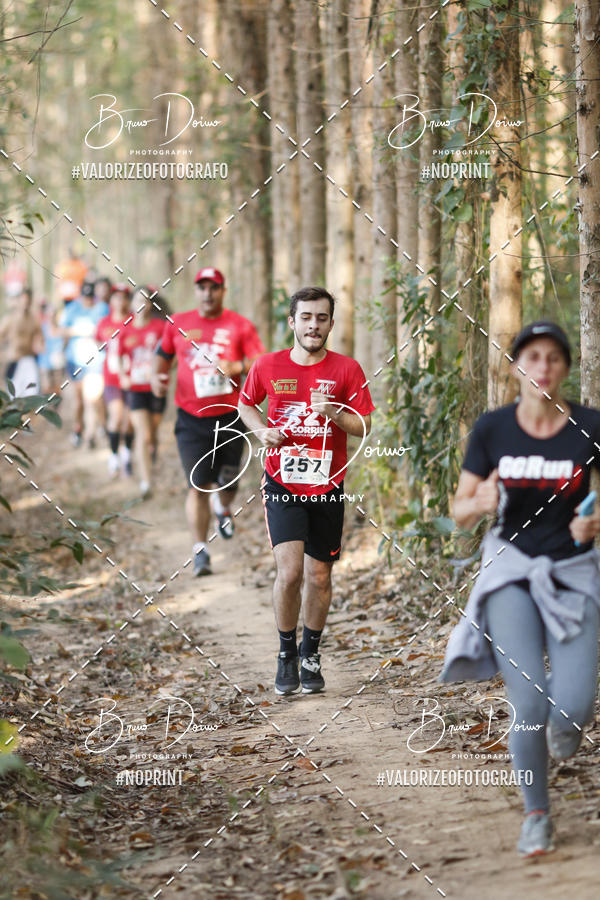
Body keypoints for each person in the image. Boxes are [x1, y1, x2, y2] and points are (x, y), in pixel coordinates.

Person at [440, 321, 600, 858]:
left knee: (575, 706)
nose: (544, 367)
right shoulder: (492, 429)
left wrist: (593, 523)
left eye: (554, 358)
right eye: (533, 357)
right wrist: (478, 503)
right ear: (516, 367)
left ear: (566, 368)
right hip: (511, 570)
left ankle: (567, 726)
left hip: (574, 572)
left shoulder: (590, 425)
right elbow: (459, 510)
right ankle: (537, 815)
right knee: (529, 701)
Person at [238, 286, 375, 695]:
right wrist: (261, 429)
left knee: (319, 575)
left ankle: (310, 652)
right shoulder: (267, 365)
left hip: (328, 483)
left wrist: (332, 411)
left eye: (321, 318)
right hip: (282, 481)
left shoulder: (347, 370)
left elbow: (364, 426)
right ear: (292, 322)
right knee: (291, 571)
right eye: (306, 317)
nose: (313, 325)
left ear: (331, 323)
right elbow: (245, 404)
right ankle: (286, 653)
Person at [151, 267, 264, 575]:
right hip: (191, 417)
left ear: (222, 291)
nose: (207, 293)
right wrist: (157, 378)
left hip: (230, 415)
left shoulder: (239, 325)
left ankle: (223, 506)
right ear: (196, 291)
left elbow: (260, 360)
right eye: (202, 287)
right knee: (198, 484)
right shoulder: (179, 323)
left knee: (227, 480)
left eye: (213, 287)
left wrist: (236, 364)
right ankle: (200, 550)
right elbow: (161, 355)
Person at [118, 289, 166, 497]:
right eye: (138, 300)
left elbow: (170, 353)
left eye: (146, 301)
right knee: (143, 434)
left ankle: (152, 450)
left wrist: (164, 370)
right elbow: (118, 357)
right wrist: (123, 375)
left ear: (150, 305)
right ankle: (146, 483)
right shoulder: (125, 330)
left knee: (152, 435)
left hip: (156, 388)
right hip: (136, 389)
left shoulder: (160, 327)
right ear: (132, 304)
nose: (141, 304)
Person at [59, 280, 109, 446]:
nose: (88, 300)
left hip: (96, 360)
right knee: (79, 400)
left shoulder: (101, 308)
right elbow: (61, 330)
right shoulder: (72, 308)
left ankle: (92, 433)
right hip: (75, 360)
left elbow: (104, 330)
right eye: (85, 297)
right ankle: (78, 429)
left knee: (93, 398)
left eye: (90, 297)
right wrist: (80, 331)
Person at [95, 282, 133, 476]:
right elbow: (98, 342)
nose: (120, 301)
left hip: (133, 378)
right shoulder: (104, 323)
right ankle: (113, 456)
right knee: (116, 416)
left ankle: (127, 454)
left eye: (124, 297)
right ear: (111, 299)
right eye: (116, 296)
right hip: (111, 377)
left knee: (128, 421)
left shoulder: (134, 321)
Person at [0, 287, 44, 396]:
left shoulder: (34, 320)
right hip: (13, 361)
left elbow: (40, 339)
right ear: (19, 300)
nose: (25, 303)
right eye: (23, 300)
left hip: (29, 360)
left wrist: (39, 345)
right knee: (14, 399)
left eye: (28, 301)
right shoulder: (9, 319)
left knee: (31, 397)